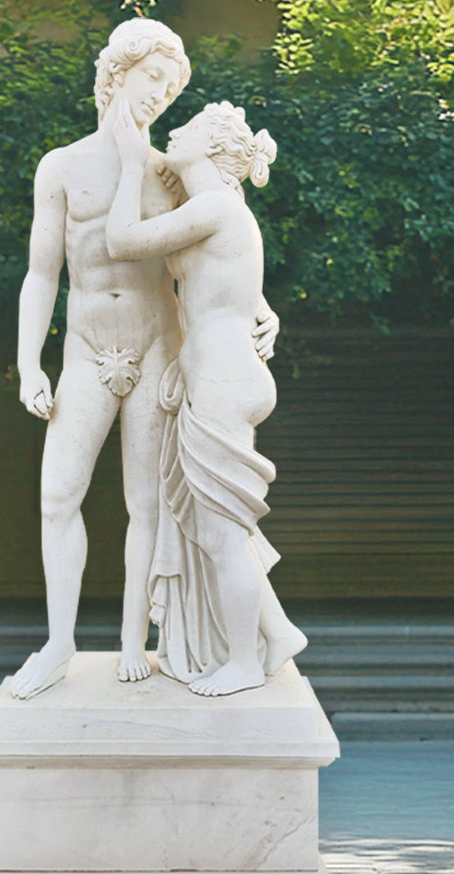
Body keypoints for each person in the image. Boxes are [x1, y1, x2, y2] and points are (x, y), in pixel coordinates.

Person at [10, 22, 279, 699]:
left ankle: (136, 639)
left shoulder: (170, 172)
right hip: (86, 346)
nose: (161, 94)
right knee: (56, 495)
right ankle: (59, 641)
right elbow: (43, 274)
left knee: (148, 503)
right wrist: (28, 362)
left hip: (161, 346)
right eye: (153, 77)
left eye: (172, 85)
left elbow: (218, 249)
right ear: (117, 72)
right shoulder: (61, 167)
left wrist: (261, 306)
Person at [105, 99, 307, 696]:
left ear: (213, 150)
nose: (175, 129)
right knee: (216, 524)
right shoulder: (220, 209)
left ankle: (243, 662)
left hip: (223, 379)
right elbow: (239, 294)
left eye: (187, 128)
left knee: (220, 533)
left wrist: (126, 164)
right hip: (219, 374)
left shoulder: (216, 207)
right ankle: (278, 629)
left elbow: (121, 241)